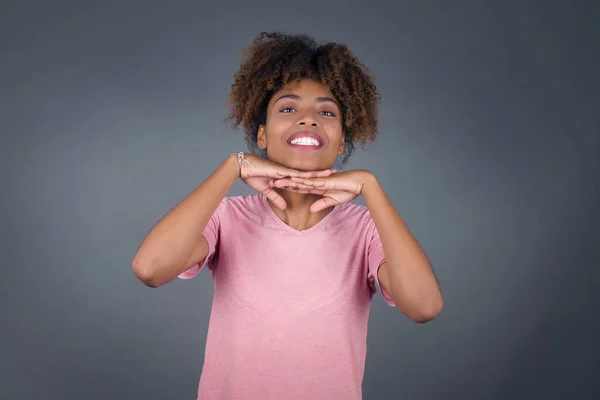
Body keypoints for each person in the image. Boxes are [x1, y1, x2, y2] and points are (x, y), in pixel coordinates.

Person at [132, 32, 443, 400]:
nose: (309, 120)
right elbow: (150, 268)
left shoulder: (366, 230)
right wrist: (233, 167)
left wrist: (371, 187)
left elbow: (424, 306)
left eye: (326, 112)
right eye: (288, 109)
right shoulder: (227, 217)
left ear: (342, 141)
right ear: (262, 134)